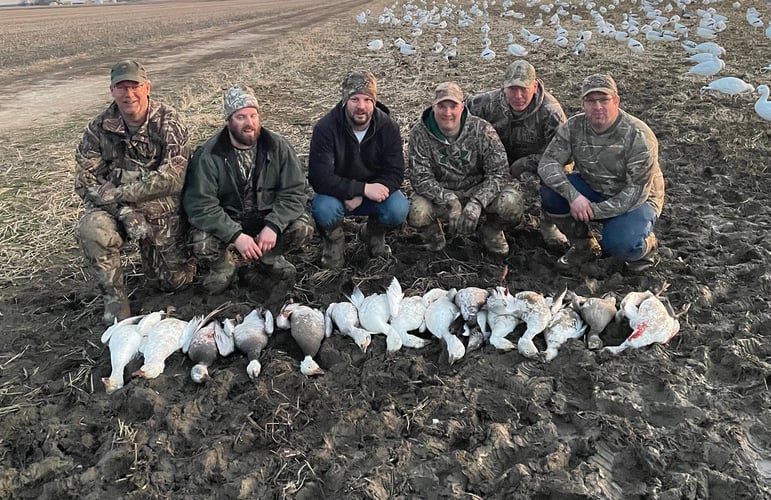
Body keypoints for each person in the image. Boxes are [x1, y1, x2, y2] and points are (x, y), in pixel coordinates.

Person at [75, 59, 196, 325]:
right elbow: (86, 181)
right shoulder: (98, 129)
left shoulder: (169, 122)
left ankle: (165, 257)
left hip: (161, 212)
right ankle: (115, 302)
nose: (129, 94)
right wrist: (125, 211)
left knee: (173, 283)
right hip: (117, 213)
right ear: (112, 91)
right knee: (93, 228)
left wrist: (121, 195)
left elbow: (172, 180)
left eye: (134, 86)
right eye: (121, 87)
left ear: (147, 87)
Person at [183, 85, 313, 293]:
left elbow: (295, 192)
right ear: (228, 120)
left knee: (302, 228)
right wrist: (235, 235)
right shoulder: (208, 155)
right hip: (230, 219)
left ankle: (270, 257)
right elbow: (200, 205)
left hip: (266, 216)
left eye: (253, 115)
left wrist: (274, 225)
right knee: (202, 243)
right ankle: (224, 266)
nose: (249, 123)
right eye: (241, 117)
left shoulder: (278, 146)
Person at [538, 74, 664, 272]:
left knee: (620, 245)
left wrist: (592, 212)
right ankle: (584, 246)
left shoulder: (639, 136)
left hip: (638, 200)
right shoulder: (574, 126)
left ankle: (647, 246)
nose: (597, 106)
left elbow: (635, 194)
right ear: (583, 104)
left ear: (616, 101)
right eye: (590, 100)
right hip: (594, 187)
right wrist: (575, 197)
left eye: (604, 99)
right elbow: (547, 164)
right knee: (551, 193)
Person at [307, 70, 409, 268]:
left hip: (371, 195)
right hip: (336, 197)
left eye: (367, 99)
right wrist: (359, 189)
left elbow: (395, 172)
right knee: (324, 209)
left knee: (398, 209)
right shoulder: (325, 128)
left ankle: (372, 234)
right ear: (345, 100)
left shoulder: (388, 127)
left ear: (374, 101)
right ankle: (334, 242)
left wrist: (364, 193)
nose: (361, 106)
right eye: (354, 99)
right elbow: (319, 177)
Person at [407, 82, 523, 256]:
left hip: (477, 190)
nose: (448, 113)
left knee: (511, 202)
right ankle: (435, 238)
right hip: (442, 195)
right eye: (442, 106)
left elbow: (499, 172)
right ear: (433, 107)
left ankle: (491, 232)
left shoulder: (482, 130)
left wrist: (477, 202)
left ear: (462, 107)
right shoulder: (420, 133)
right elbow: (420, 178)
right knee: (416, 211)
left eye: (453, 106)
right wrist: (449, 199)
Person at [466, 60, 570, 249]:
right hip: (495, 160)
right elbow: (453, 116)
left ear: (535, 86)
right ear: (504, 87)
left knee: (560, 174)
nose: (518, 95)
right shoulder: (485, 104)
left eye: (524, 89)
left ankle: (549, 224)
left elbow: (564, 155)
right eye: (512, 89)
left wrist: (526, 163)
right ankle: (491, 226)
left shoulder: (550, 111)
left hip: (539, 159)